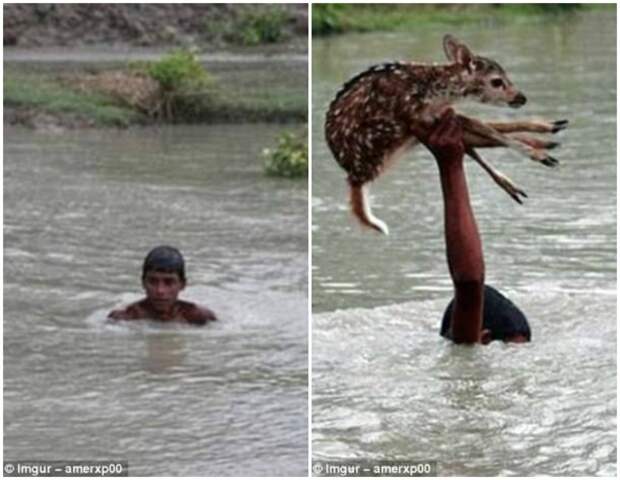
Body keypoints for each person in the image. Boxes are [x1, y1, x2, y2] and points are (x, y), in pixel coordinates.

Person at [421, 110, 531, 344]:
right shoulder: (467, 350)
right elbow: (469, 284)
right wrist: (451, 167)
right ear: (485, 339)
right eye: (513, 350)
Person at [108, 246, 216, 325]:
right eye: (153, 281)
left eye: (169, 282)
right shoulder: (125, 318)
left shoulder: (198, 316)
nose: (160, 290)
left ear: (182, 285)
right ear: (143, 283)